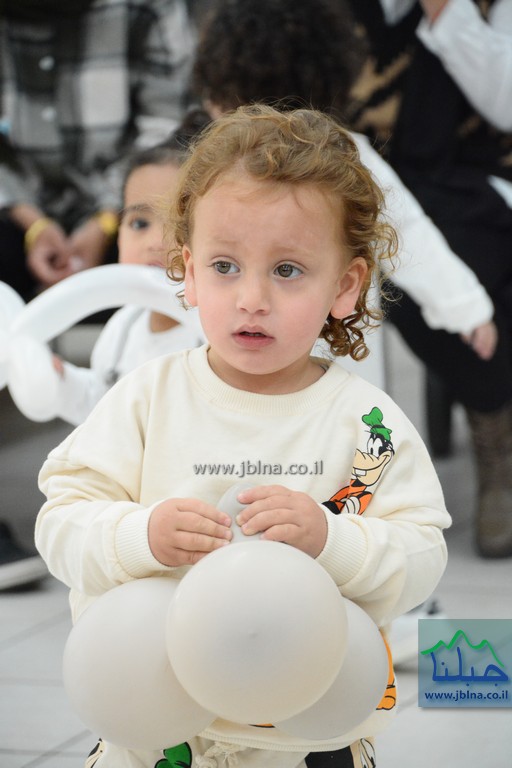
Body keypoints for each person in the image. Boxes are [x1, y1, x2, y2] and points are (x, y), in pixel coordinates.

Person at [36, 104, 451, 768]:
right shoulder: (145, 398)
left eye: (287, 270)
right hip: (152, 728)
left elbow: (421, 554)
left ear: (345, 286)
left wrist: (331, 539)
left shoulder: (367, 425)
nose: (252, 297)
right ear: (189, 271)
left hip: (308, 736)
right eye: (225, 266)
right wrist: (139, 536)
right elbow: (61, 520)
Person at [190, 0, 511, 559]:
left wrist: (465, 306)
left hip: (324, 365)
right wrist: (465, 309)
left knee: (334, 463)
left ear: (217, 89)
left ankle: (339, 546)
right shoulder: (224, 162)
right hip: (257, 368)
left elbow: (406, 233)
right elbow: (410, 235)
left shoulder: (332, 158)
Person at [345, 0, 512, 558]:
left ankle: (491, 422)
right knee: (386, 264)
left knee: (477, 251)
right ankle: (490, 405)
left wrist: (446, 12)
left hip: (480, 173)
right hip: (360, 177)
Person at [0, 0, 194, 300]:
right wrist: (33, 224)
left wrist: (105, 222)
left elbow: (165, 127)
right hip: (14, 206)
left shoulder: (149, 8)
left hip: (122, 201)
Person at [51, 111, 207, 426]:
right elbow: (102, 406)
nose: (155, 242)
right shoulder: (124, 326)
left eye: (179, 225)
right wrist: (62, 382)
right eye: (139, 223)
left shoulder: (217, 333)